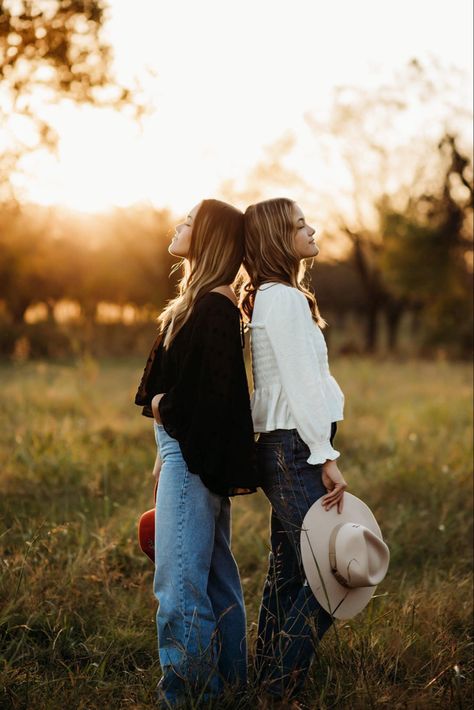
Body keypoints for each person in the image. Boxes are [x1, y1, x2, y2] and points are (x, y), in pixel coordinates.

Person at [135, 199, 260, 707]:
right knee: (213, 581)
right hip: (186, 456)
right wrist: (164, 455)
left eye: (189, 221)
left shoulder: (212, 306)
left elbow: (211, 395)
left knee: (179, 589)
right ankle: (230, 689)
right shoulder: (207, 302)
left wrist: (166, 404)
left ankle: (191, 699)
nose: (178, 225)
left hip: (192, 455)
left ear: (207, 238)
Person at [241, 197, 348, 701]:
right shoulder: (281, 299)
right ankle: (277, 690)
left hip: (287, 444)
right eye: (299, 224)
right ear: (276, 240)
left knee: (288, 573)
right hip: (294, 446)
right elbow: (305, 385)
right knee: (335, 573)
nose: (311, 229)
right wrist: (325, 455)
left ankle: (263, 679)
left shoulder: (277, 295)